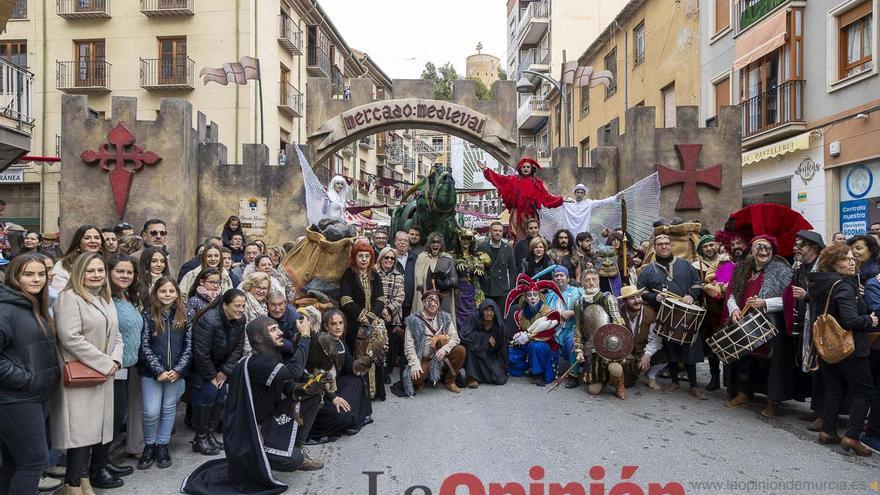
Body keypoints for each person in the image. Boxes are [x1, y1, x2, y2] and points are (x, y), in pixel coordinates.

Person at [181, 316, 323, 495]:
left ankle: (297, 446)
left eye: (278, 328)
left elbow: (287, 386)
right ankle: (281, 456)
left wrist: (305, 389)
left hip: (266, 422)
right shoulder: (256, 363)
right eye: (272, 330)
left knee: (312, 397)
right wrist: (305, 336)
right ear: (258, 338)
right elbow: (294, 370)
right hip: (247, 436)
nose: (280, 333)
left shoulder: (270, 357)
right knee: (293, 461)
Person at [52, 252, 126, 491]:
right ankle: (72, 485)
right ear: (79, 273)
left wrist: (115, 359)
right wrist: (104, 363)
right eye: (90, 271)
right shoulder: (69, 298)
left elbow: (117, 335)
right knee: (79, 436)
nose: (96, 275)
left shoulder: (105, 298)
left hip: (102, 375)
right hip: (81, 378)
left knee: (93, 433)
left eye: (100, 271)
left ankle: (82, 481)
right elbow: (70, 338)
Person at [808, 244, 877, 457]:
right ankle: (852, 437)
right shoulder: (844, 286)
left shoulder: (822, 282)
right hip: (849, 347)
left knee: (834, 389)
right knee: (865, 390)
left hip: (827, 346)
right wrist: (869, 319)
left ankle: (828, 431)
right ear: (833, 263)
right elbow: (850, 320)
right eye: (846, 259)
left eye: (853, 258)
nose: (852, 262)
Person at [0, 254, 61, 495]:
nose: (36, 279)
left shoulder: (33, 304)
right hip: (16, 398)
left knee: (15, 461)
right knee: (34, 461)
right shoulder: (5, 309)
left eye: (40, 274)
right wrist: (27, 380)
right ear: (15, 276)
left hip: (33, 396)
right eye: (28, 274)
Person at [637, 234, 706, 399]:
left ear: (671, 246)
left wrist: (692, 295)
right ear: (654, 248)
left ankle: (694, 385)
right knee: (671, 349)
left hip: (686, 315)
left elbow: (697, 284)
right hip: (664, 314)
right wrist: (655, 297)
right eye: (659, 244)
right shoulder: (648, 270)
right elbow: (641, 291)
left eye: (666, 243)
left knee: (689, 348)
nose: (664, 246)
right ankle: (674, 381)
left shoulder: (686, 265)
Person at [137, 277, 192, 470]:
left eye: (171, 291)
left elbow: (189, 345)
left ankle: (162, 444)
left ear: (177, 293)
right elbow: (144, 346)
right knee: (151, 411)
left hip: (175, 372)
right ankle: (149, 445)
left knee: (169, 409)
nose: (167, 295)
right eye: (163, 291)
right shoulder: (147, 314)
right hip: (152, 372)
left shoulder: (185, 314)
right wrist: (158, 370)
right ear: (156, 293)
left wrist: (178, 369)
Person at [189, 289, 246, 456]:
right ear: (225, 305)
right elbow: (201, 353)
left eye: (243, 306)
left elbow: (238, 348)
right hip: (201, 369)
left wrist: (224, 372)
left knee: (220, 397)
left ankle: (210, 436)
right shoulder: (209, 320)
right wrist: (212, 376)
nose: (241, 309)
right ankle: (200, 439)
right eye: (237, 305)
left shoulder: (240, 320)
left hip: (220, 368)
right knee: (208, 395)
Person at [308, 309, 373, 442]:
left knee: (358, 379)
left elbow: (349, 366)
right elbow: (320, 376)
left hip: (335, 384)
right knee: (343, 418)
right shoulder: (321, 343)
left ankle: (357, 416)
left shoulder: (340, 341)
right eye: (333, 324)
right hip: (320, 392)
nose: (338, 327)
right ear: (326, 326)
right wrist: (334, 397)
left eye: (341, 323)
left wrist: (365, 361)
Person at [107, 255, 146, 461]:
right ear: (109, 272)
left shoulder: (127, 297)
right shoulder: (105, 298)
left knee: (125, 411)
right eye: (120, 271)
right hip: (114, 365)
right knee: (111, 417)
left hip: (131, 364)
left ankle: (105, 461)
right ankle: (98, 464)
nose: (125, 275)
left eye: (129, 272)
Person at [339, 238, 386, 400]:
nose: (364, 260)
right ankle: (360, 391)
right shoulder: (348, 274)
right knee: (357, 356)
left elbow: (381, 299)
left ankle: (375, 391)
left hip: (373, 322)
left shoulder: (375, 275)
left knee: (374, 354)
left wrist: (371, 317)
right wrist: (361, 317)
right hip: (354, 324)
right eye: (361, 256)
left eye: (367, 256)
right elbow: (345, 299)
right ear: (355, 257)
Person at [789, 230, 825, 430]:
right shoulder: (799, 267)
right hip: (805, 321)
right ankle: (816, 408)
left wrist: (807, 296)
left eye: (801, 245)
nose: (797, 248)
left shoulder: (825, 266)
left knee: (822, 369)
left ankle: (825, 414)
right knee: (811, 366)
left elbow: (829, 295)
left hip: (821, 324)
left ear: (813, 247)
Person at [477, 157, 563, 238]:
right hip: (516, 214)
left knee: (532, 235)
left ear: (531, 169)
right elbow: (499, 179)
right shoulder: (512, 180)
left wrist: (561, 200)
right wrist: (486, 170)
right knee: (518, 237)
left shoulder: (537, 183)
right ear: (521, 168)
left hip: (531, 214)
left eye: (528, 167)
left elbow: (546, 197)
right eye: (524, 167)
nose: (526, 169)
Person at [573, 269, 626, 397]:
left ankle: (619, 382)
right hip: (591, 346)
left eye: (594, 279)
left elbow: (618, 324)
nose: (591, 283)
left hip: (610, 344)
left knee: (616, 369)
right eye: (587, 280)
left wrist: (616, 346)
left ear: (598, 281)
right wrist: (579, 350)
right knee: (593, 390)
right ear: (582, 283)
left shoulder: (607, 298)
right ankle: (602, 379)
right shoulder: (579, 303)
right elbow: (578, 327)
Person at [402, 290, 467, 395]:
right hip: (423, 359)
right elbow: (408, 346)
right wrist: (414, 364)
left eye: (436, 301)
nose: (433, 303)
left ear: (439, 304)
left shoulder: (445, 317)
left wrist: (444, 349)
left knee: (460, 350)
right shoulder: (413, 321)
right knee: (414, 379)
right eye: (429, 300)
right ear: (423, 302)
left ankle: (450, 381)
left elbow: (455, 338)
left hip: (441, 356)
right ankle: (423, 379)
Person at [507, 274, 563, 387]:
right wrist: (518, 335)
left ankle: (538, 373)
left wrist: (528, 336)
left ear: (539, 296)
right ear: (525, 297)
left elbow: (549, 331)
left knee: (536, 346)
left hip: (544, 345)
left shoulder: (549, 312)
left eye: (535, 295)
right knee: (509, 353)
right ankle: (527, 367)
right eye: (529, 295)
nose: (532, 298)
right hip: (525, 344)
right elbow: (520, 329)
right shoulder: (520, 314)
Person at [692, 234, 725, 391]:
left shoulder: (725, 262)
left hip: (722, 309)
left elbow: (725, 285)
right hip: (705, 310)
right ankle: (714, 376)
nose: (709, 248)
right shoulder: (696, 265)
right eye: (705, 246)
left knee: (723, 343)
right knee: (709, 344)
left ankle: (731, 381)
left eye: (711, 245)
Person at [619, 285, 667, 391]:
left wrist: (647, 355)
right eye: (632, 298)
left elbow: (655, 339)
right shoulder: (618, 313)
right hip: (626, 354)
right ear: (624, 301)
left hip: (642, 350)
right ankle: (634, 371)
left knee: (665, 354)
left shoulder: (650, 313)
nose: (637, 301)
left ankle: (650, 376)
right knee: (628, 384)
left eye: (639, 296)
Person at [544, 266, 583, 388]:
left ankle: (574, 375)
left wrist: (572, 312)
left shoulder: (577, 291)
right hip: (553, 331)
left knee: (572, 340)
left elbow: (585, 306)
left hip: (571, 329)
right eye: (556, 276)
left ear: (567, 277)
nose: (559, 278)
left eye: (562, 275)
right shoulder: (549, 295)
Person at [459, 299, 508, 387]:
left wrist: (503, 366)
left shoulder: (499, 325)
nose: (489, 313)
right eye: (486, 310)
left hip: (490, 355)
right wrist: (485, 337)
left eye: (491, 310)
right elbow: (463, 335)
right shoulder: (473, 317)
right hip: (474, 353)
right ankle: (471, 377)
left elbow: (503, 348)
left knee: (500, 379)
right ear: (481, 311)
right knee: (468, 347)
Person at [376, 247, 405, 383]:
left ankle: (386, 373)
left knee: (391, 346)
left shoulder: (398, 276)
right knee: (379, 345)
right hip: (377, 314)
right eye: (386, 257)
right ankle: (378, 372)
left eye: (392, 258)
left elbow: (400, 296)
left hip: (393, 316)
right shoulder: (374, 273)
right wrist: (382, 310)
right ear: (381, 258)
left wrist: (389, 310)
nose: (389, 260)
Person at [453, 229, 490, 330]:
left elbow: (486, 264)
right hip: (459, 294)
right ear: (459, 240)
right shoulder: (453, 255)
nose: (466, 241)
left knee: (475, 318)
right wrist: (456, 262)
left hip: (474, 292)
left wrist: (479, 267)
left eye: (468, 238)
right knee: (459, 319)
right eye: (463, 238)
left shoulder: (477, 256)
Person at [412, 232, 457, 317]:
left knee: (444, 324)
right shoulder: (422, 258)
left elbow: (454, 279)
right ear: (429, 243)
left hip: (443, 298)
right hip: (426, 297)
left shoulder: (447, 258)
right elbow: (418, 281)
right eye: (433, 242)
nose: (435, 244)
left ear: (441, 244)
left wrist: (446, 283)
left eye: (438, 242)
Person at [51, 224, 104, 292]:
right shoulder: (64, 264)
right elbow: (59, 293)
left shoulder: (107, 263)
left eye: (97, 238)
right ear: (78, 242)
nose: (93, 241)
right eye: (87, 238)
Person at [477, 221, 517, 310]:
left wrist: (511, 290)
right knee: (486, 316)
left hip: (502, 290)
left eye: (500, 231)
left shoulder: (508, 248)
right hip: (486, 288)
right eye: (495, 230)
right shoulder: (482, 247)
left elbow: (512, 271)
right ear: (490, 231)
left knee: (501, 317)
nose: (498, 233)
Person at [240, 272, 271, 350]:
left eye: (264, 288)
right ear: (250, 287)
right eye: (257, 287)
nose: (261, 291)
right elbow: (244, 333)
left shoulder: (263, 303)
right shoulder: (244, 304)